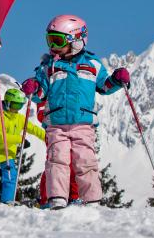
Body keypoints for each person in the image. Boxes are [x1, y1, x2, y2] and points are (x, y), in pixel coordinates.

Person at [20, 15, 130, 209]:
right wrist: (33, 87)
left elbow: (104, 86)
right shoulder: (49, 67)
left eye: (57, 40)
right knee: (57, 160)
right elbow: (41, 92)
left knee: (85, 161)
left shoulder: (92, 64)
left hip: (83, 122)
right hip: (56, 123)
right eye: (50, 40)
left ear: (76, 40)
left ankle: (92, 200)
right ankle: (57, 199)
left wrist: (116, 80)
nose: (52, 46)